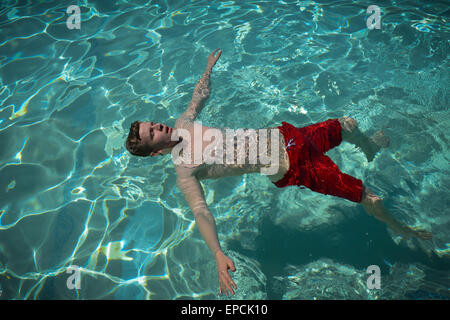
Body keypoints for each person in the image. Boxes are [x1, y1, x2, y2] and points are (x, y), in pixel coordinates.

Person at [125, 49, 432, 296]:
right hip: (294, 166)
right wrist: (218, 253)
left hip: (288, 136)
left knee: (347, 124)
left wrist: (207, 68)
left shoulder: (182, 124)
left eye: (152, 124)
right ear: (155, 151)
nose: (157, 126)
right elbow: (201, 211)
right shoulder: (184, 170)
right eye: (152, 133)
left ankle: (370, 148)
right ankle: (402, 231)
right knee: (370, 198)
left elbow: (198, 98)